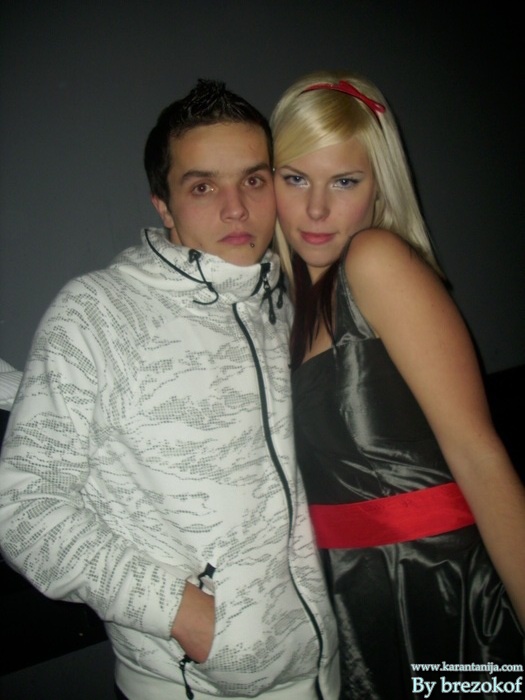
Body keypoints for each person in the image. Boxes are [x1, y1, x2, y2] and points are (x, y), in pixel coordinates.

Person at [0, 79, 339, 700]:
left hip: (328, 673)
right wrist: (184, 613)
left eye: (253, 180)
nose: (236, 209)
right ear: (164, 205)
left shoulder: (288, 303)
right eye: (203, 186)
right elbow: (25, 509)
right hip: (192, 685)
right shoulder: (98, 313)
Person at [270, 71, 525, 698]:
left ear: (379, 186)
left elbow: (479, 455)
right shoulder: (280, 309)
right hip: (355, 604)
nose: (316, 209)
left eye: (345, 181)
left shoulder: (375, 260)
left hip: (446, 592)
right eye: (295, 178)